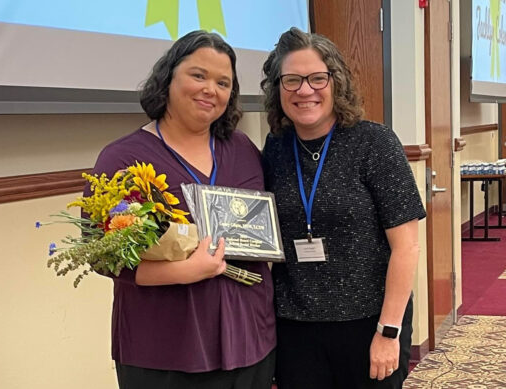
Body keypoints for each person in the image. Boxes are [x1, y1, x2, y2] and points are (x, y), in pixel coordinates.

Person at [86, 30, 276, 389]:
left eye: (223, 82)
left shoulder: (243, 149)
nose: (211, 89)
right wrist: (185, 271)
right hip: (164, 349)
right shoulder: (123, 159)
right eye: (198, 75)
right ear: (168, 77)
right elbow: (102, 257)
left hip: (251, 339)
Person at [261, 27, 426, 389]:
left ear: (337, 82)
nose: (305, 90)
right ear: (277, 89)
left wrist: (389, 332)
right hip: (295, 327)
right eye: (291, 80)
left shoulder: (375, 143)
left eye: (317, 78)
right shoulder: (274, 149)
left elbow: (407, 246)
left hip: (369, 322)